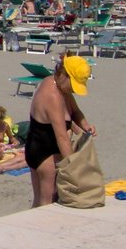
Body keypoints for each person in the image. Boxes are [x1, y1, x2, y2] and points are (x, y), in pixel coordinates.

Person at [27, 55, 95, 207]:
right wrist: (74, 168)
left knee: (38, 200)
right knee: (47, 203)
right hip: (44, 152)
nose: (74, 90)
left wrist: (85, 125)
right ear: (64, 75)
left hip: (36, 145)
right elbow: (62, 137)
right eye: (73, 85)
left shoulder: (58, 85)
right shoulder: (53, 95)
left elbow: (75, 112)